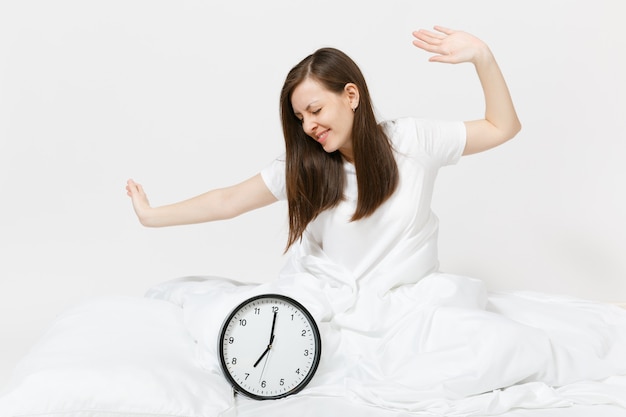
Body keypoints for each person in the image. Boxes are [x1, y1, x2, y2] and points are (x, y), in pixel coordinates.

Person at [123, 26, 625, 411]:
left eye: (315, 108)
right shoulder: (305, 168)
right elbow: (228, 200)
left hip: (410, 309)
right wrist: (153, 216)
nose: (309, 126)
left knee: (513, 348)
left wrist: (483, 58)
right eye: (299, 118)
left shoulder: (412, 140)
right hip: (327, 305)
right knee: (229, 334)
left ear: (351, 95)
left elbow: (502, 127)